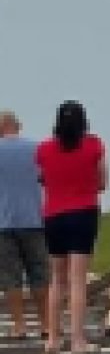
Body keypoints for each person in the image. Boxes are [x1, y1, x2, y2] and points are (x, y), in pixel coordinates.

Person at [35, 101, 108, 354]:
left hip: (53, 215)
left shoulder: (44, 149)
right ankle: (78, 340)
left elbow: (43, 178)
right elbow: (103, 182)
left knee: (57, 279)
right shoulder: (93, 145)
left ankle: (53, 338)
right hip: (83, 213)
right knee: (78, 279)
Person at [0, 111, 49, 340]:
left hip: (4, 222)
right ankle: (45, 324)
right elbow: (45, 178)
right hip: (34, 219)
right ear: (17, 126)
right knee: (39, 274)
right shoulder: (37, 149)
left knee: (11, 277)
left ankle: (19, 325)